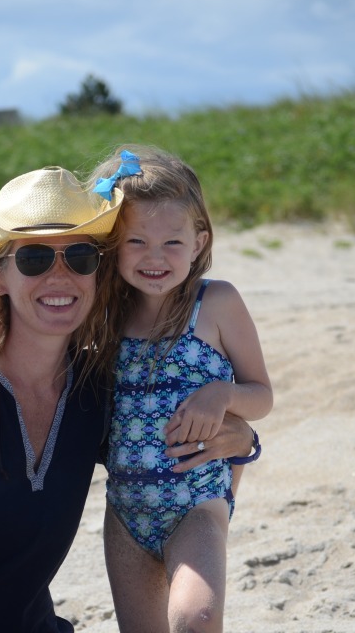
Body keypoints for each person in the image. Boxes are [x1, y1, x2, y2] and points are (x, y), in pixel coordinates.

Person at [0, 165, 255, 633]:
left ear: (98, 272)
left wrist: (243, 438)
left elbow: (160, 448)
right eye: (35, 258)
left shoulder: (94, 390)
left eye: (79, 256)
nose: (60, 276)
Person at [88, 146, 273, 633]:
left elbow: (261, 394)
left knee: (197, 618)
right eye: (136, 241)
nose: (155, 257)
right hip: (125, 512)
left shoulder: (217, 302)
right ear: (112, 244)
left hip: (198, 501)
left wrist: (222, 394)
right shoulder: (103, 315)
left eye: (173, 241)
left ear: (199, 241)